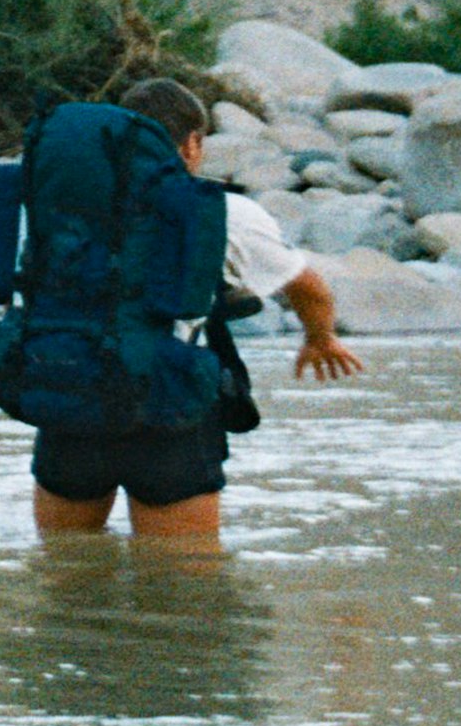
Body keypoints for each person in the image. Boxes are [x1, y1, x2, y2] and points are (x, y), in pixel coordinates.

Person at [31, 76, 364, 544]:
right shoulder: (226, 214)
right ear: (193, 144)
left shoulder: (70, 209)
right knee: (186, 585)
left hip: (70, 400)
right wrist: (320, 338)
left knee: (63, 568)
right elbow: (309, 289)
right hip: (168, 409)